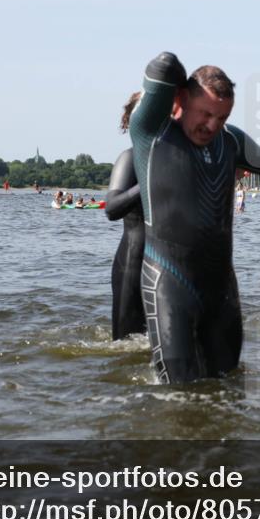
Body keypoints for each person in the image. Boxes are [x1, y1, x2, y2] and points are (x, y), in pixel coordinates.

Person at [128, 51, 260, 384]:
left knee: (230, 386)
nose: (212, 126)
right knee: (178, 394)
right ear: (180, 99)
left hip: (221, 287)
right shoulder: (152, 133)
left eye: (222, 117)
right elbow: (162, 65)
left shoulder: (230, 141)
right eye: (206, 113)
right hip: (169, 283)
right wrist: (180, 87)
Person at [105, 91, 148, 341]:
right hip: (133, 263)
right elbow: (112, 208)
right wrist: (147, 180)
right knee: (126, 346)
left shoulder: (179, 159)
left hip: (170, 264)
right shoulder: (130, 159)